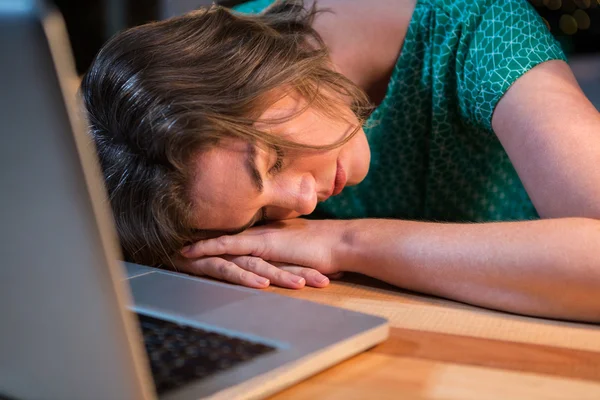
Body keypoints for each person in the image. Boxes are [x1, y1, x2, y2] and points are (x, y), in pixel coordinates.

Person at [80, 0, 600, 322]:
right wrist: (168, 251)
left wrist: (345, 241)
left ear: (265, 69)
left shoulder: (474, 27)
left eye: (275, 159)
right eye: (260, 219)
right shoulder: (173, 123)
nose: (301, 204)